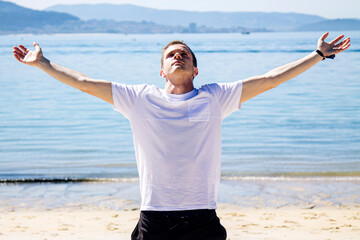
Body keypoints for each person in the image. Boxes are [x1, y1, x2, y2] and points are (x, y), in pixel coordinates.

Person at [13, 32, 350, 240]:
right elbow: (84, 83)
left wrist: (318, 56)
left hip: (202, 216)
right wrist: (44, 63)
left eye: (184, 54)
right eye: (171, 54)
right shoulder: (139, 98)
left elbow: (271, 78)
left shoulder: (216, 97)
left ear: (195, 69)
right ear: (162, 70)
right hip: (154, 217)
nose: (178, 56)